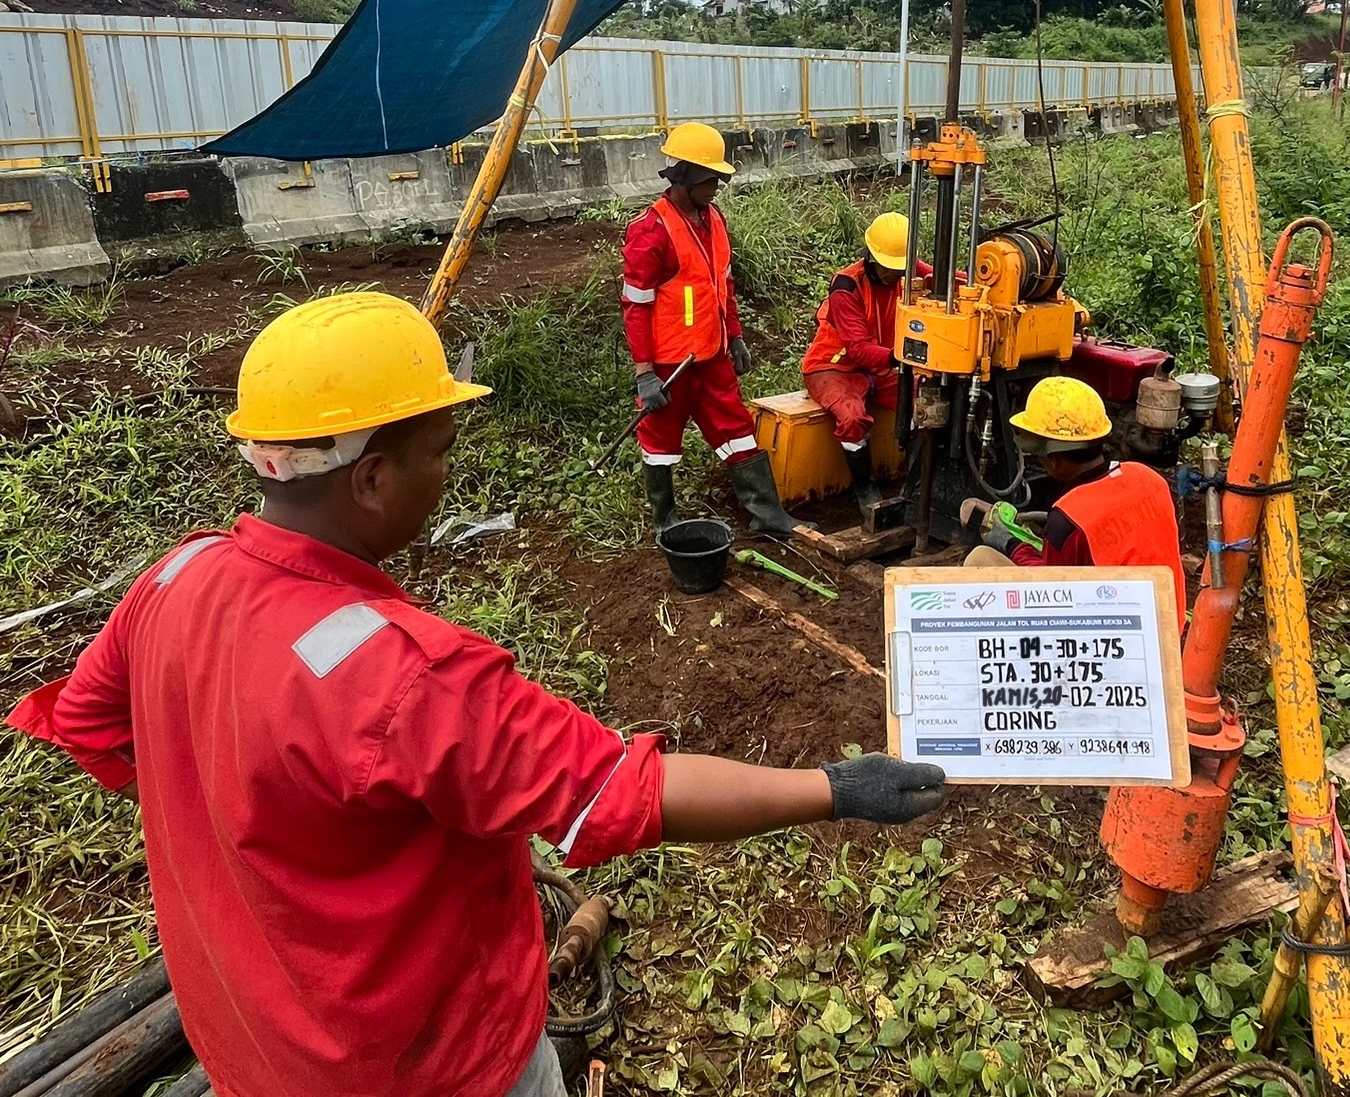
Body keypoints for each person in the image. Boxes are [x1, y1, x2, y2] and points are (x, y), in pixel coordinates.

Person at [7, 292, 947, 1097]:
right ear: (373, 478)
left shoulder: (176, 577)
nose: (449, 472)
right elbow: (623, 795)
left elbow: (91, 724)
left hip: (249, 1044)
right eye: (441, 450)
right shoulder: (409, 679)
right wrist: (836, 786)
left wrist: (252, 814)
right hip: (425, 1065)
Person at [620, 121, 800, 540]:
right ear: (681, 176)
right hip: (671, 364)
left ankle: (766, 514)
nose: (716, 186)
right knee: (660, 439)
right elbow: (636, 307)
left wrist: (734, 335)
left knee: (737, 430)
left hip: (713, 355)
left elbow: (724, 284)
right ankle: (665, 520)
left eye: (718, 178)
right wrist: (645, 373)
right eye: (708, 178)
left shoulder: (714, 218)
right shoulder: (651, 231)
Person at [960, 374, 1187, 626]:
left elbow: (1052, 593)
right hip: (1167, 627)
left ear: (1054, 459)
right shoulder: (1149, 478)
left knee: (980, 559)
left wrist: (1011, 543)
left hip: (1111, 639)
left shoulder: (1067, 521)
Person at [801, 211, 923, 520]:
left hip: (881, 366)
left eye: (902, 268)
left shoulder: (906, 269)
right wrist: (898, 357)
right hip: (834, 366)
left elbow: (946, 278)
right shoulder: (847, 286)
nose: (897, 275)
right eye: (891, 267)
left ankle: (918, 484)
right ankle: (865, 488)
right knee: (852, 417)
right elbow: (856, 348)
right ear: (871, 257)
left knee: (925, 403)